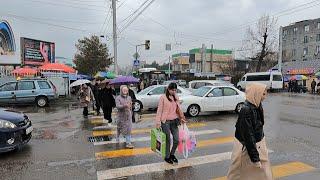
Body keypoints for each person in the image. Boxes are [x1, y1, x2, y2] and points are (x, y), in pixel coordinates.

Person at [227, 83, 272, 180]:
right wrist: (255, 158)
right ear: (256, 93)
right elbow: (248, 136)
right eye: (263, 94)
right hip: (247, 150)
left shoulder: (256, 105)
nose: (265, 97)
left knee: (262, 173)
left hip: (257, 146)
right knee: (239, 174)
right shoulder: (246, 110)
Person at [155, 82, 187, 164]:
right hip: (165, 121)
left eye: (175, 90)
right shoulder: (163, 97)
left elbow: (178, 109)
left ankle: (172, 154)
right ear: (168, 89)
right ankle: (167, 156)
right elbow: (159, 110)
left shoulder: (176, 97)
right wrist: (158, 122)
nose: (174, 91)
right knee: (168, 140)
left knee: (177, 139)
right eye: (172, 90)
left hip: (175, 121)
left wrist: (182, 118)